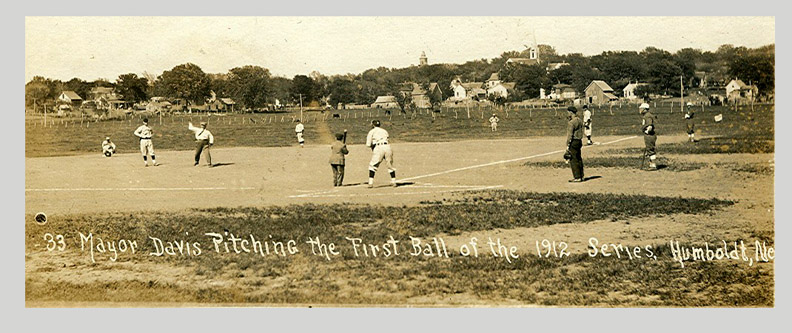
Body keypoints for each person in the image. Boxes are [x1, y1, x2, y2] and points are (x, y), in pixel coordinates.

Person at [366, 119, 396, 188]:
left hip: (379, 147)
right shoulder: (384, 131)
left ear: (373, 125)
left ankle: (370, 183)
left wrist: (373, 148)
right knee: (390, 164)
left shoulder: (372, 131)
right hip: (387, 147)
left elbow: (368, 144)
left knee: (372, 165)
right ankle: (394, 181)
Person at [565, 106, 585, 182]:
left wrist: (567, 145)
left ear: (570, 112)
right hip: (579, 141)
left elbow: (569, 135)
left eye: (568, 112)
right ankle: (581, 175)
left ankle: (577, 177)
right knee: (579, 158)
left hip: (573, 141)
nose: (567, 114)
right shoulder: (579, 120)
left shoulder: (571, 122)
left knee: (573, 159)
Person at [640, 103, 658, 170]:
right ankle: (651, 164)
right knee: (649, 149)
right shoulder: (647, 115)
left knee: (650, 150)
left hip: (649, 135)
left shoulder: (647, 116)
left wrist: (647, 131)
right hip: (649, 135)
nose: (640, 110)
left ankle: (653, 165)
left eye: (641, 108)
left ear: (645, 109)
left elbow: (650, 125)